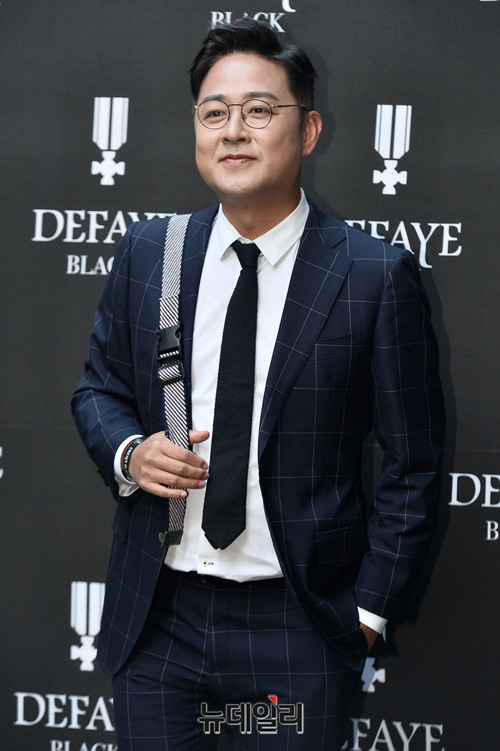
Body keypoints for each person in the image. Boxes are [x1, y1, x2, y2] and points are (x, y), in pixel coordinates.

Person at [72, 17, 445, 751]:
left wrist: (368, 614)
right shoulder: (151, 252)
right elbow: (98, 391)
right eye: (214, 112)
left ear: (308, 131)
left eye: (259, 110)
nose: (234, 130)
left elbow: (415, 462)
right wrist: (130, 453)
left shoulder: (373, 276)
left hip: (295, 632)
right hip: (158, 622)